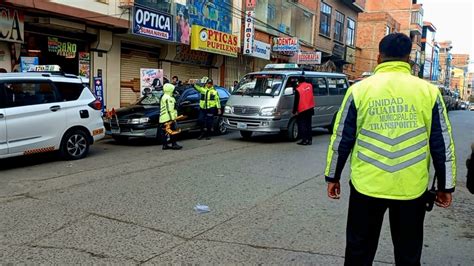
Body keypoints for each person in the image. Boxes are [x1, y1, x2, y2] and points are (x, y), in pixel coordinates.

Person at [324, 33, 456, 266]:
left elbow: (342, 138)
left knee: (358, 252)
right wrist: (446, 186)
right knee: (408, 254)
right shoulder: (429, 92)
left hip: (367, 186)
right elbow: (441, 142)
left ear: (378, 57)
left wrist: (333, 176)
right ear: (409, 59)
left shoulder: (359, 90)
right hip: (411, 187)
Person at [159, 83, 182, 150]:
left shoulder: (163, 96)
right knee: (173, 131)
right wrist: (173, 119)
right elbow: (170, 109)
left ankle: (165, 145)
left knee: (165, 132)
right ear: (170, 90)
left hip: (163, 118)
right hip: (169, 118)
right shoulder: (170, 98)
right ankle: (174, 144)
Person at [293, 76, 315, 145]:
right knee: (308, 125)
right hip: (310, 108)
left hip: (302, 109)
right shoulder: (310, 86)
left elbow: (296, 101)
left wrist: (294, 111)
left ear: (299, 81)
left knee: (302, 125)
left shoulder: (298, 89)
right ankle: (309, 140)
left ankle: (304, 140)